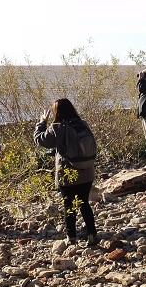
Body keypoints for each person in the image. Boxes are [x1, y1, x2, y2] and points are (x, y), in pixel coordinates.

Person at [34, 98, 98, 247]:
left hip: (68, 174)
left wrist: (42, 122)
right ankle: (92, 235)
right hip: (87, 171)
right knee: (84, 203)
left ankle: (71, 238)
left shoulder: (57, 128)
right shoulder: (83, 124)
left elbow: (40, 140)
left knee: (69, 205)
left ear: (56, 112)